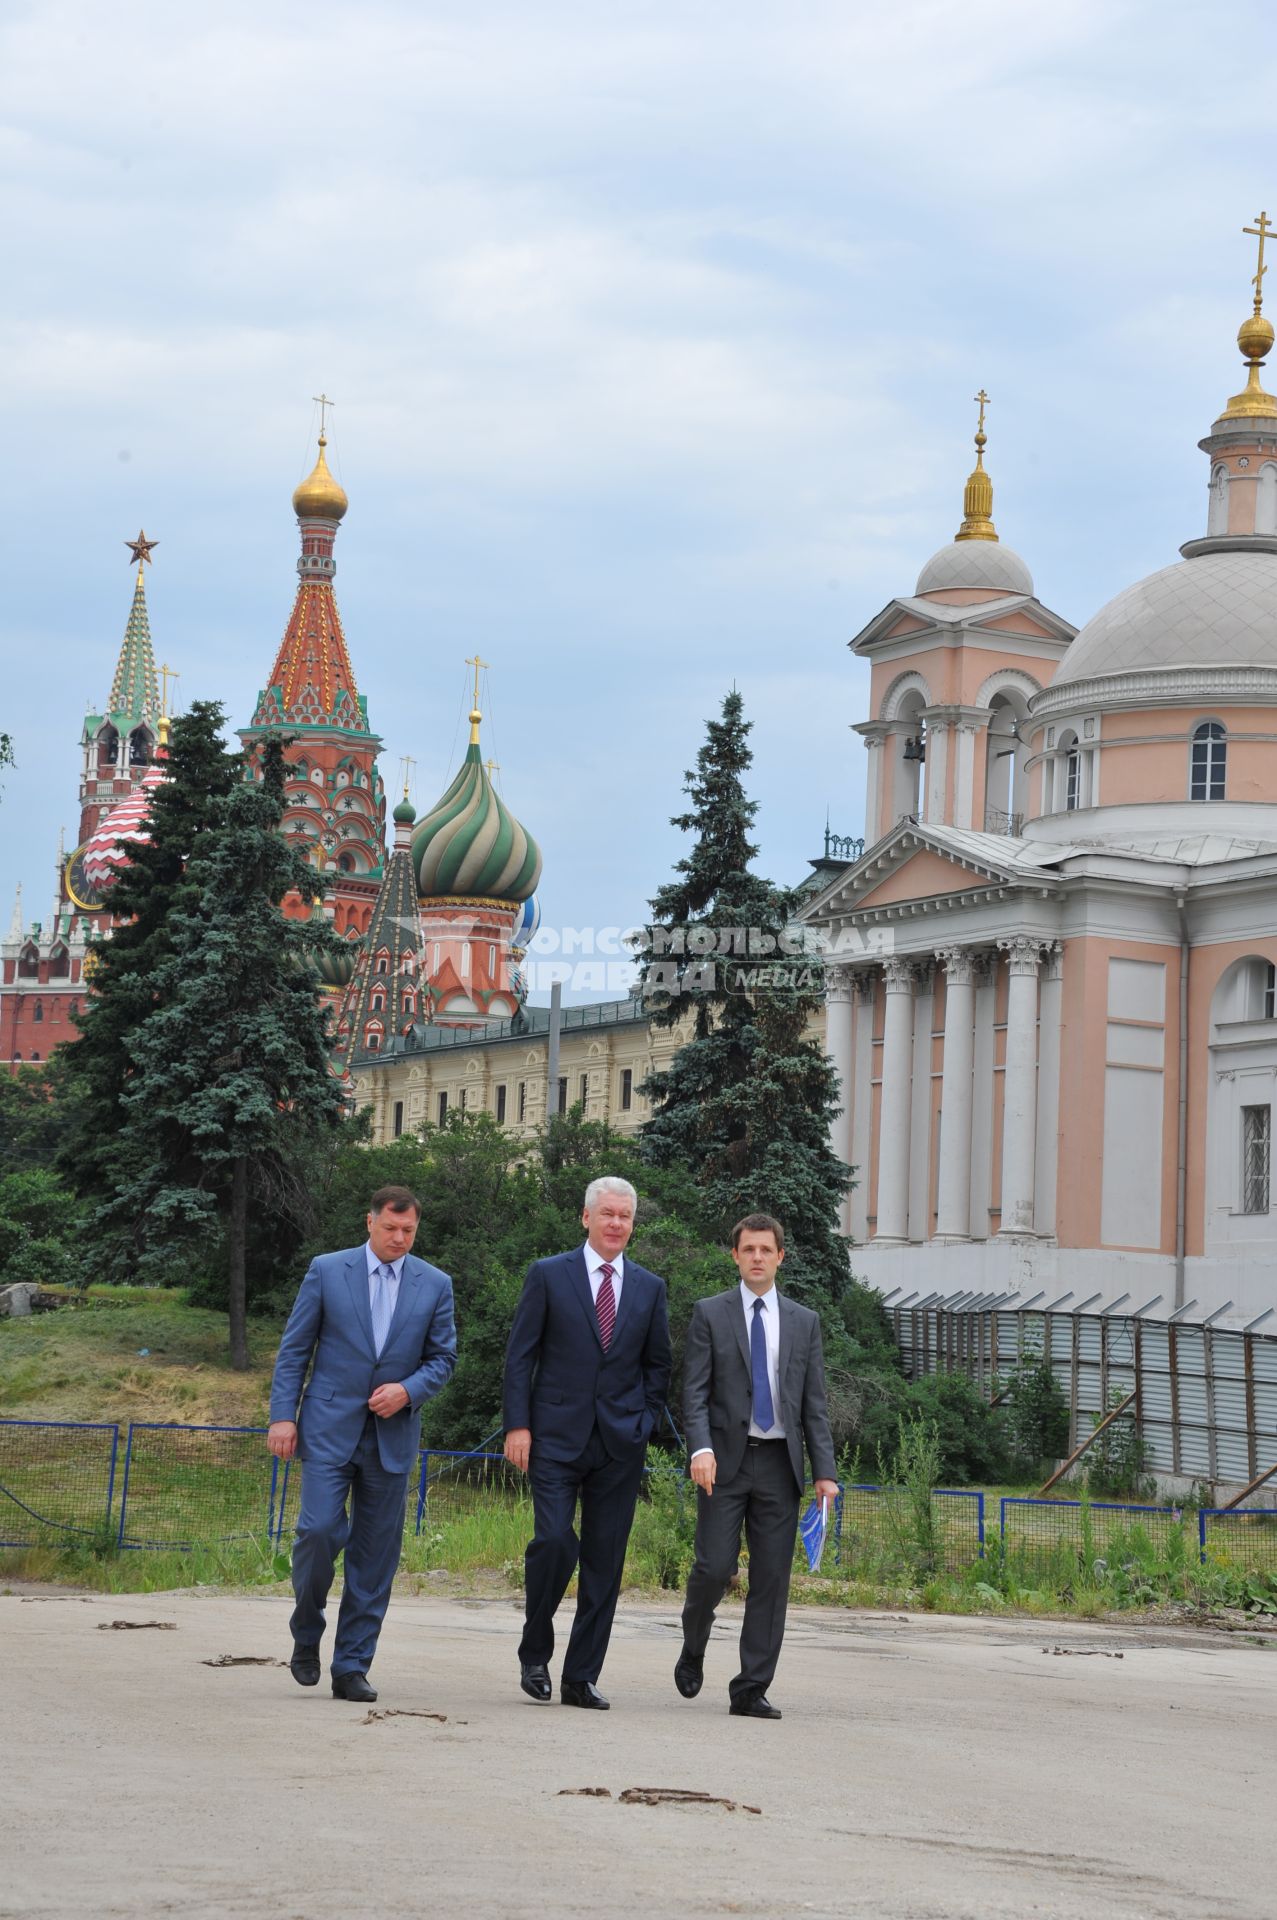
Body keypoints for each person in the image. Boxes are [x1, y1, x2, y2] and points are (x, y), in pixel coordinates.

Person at [267, 1185, 456, 1702]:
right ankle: (307, 1633)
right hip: (327, 1430)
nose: (399, 1238)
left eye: (409, 1231)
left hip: (392, 1438)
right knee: (319, 1530)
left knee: (375, 1558)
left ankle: (351, 1665)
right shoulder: (328, 1270)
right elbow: (294, 1350)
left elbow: (443, 1360)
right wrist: (283, 1417)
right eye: (391, 1228)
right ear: (369, 1222)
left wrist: (408, 1390)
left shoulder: (435, 1284)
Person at [503, 1175, 671, 1709]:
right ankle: (535, 1651)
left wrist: (643, 1421)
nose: (617, 1223)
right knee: (554, 1542)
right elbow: (520, 1357)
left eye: (625, 1216)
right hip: (553, 1436)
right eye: (608, 1214)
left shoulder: (650, 1287)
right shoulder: (549, 1276)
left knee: (605, 1561)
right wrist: (518, 1425)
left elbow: (658, 1366)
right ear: (586, 1217)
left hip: (620, 1444)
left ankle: (580, 1677)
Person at [675, 1212, 839, 1720]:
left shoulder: (803, 1321)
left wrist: (825, 1472)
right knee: (713, 1567)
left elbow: (813, 1403)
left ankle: (750, 1686)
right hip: (723, 1463)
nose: (758, 1258)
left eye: (766, 1250)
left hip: (778, 1465)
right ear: (735, 1256)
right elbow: (695, 1392)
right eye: (749, 1250)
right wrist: (699, 1449)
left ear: (780, 1257)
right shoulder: (710, 1313)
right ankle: (694, 1642)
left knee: (771, 1580)